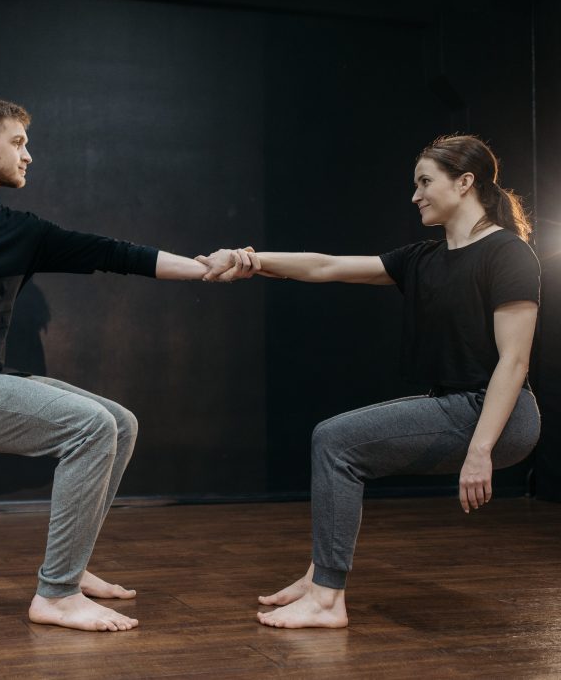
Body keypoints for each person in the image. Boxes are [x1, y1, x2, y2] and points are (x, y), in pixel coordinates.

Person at [0, 95, 248, 632]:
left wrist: (204, 270)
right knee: (89, 427)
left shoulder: (22, 231)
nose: (29, 155)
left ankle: (70, 569)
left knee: (120, 424)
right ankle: (54, 594)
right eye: (19, 142)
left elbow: (115, 254)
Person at [197, 134, 541, 629]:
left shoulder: (508, 254)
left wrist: (480, 450)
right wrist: (249, 258)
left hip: (498, 415)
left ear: (465, 183)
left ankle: (327, 598)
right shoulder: (424, 258)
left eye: (425, 182)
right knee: (339, 444)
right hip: (459, 405)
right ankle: (321, 575)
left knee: (336, 440)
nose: (415, 195)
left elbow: (514, 362)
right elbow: (325, 265)